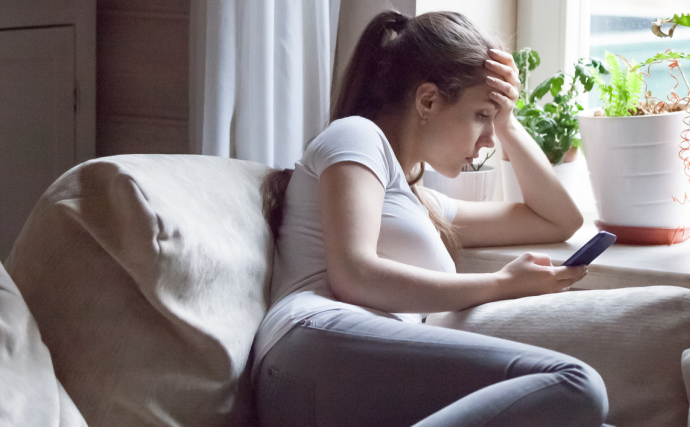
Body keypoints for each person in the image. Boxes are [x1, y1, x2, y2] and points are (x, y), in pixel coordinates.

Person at [254, 10, 608, 427]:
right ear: (427, 100)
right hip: (310, 343)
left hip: (352, 368)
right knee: (575, 382)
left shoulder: (422, 204)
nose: (489, 140)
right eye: (481, 116)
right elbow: (354, 275)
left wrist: (508, 120)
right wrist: (502, 285)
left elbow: (558, 220)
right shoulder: (356, 136)